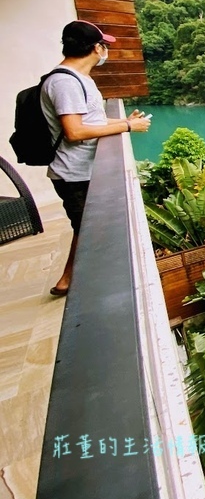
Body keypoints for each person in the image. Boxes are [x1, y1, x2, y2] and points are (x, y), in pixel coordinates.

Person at [41, 20, 152, 296]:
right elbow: (75, 131)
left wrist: (122, 120)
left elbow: (94, 119)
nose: (106, 51)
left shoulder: (82, 80)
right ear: (95, 48)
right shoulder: (64, 83)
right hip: (73, 173)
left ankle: (68, 280)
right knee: (91, 235)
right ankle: (89, 290)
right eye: (104, 45)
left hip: (87, 170)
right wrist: (127, 127)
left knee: (85, 231)